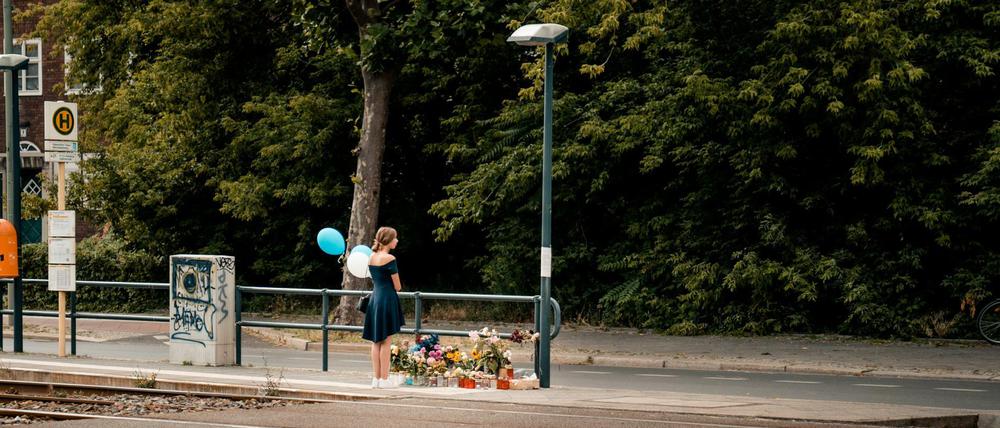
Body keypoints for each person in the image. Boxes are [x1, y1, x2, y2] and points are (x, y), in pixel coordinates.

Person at [361, 226, 404, 388]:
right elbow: (397, 286)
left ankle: (376, 379)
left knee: (376, 340)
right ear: (388, 240)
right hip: (387, 299)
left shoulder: (371, 257)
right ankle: (385, 379)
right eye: (395, 238)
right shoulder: (390, 258)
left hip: (375, 299)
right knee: (386, 340)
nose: (397, 240)